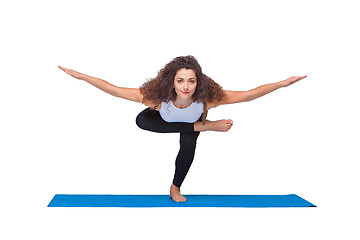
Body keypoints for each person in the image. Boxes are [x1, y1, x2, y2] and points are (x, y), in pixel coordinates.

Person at [58, 55, 307, 202]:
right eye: (180, 81)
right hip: (159, 121)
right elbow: (113, 90)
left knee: (188, 142)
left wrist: (283, 84)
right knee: (141, 121)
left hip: (189, 126)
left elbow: (249, 95)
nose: (185, 86)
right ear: (172, 83)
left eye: (191, 80)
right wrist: (81, 76)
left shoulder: (208, 99)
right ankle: (205, 126)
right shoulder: (156, 98)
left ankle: (175, 187)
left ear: (198, 82)